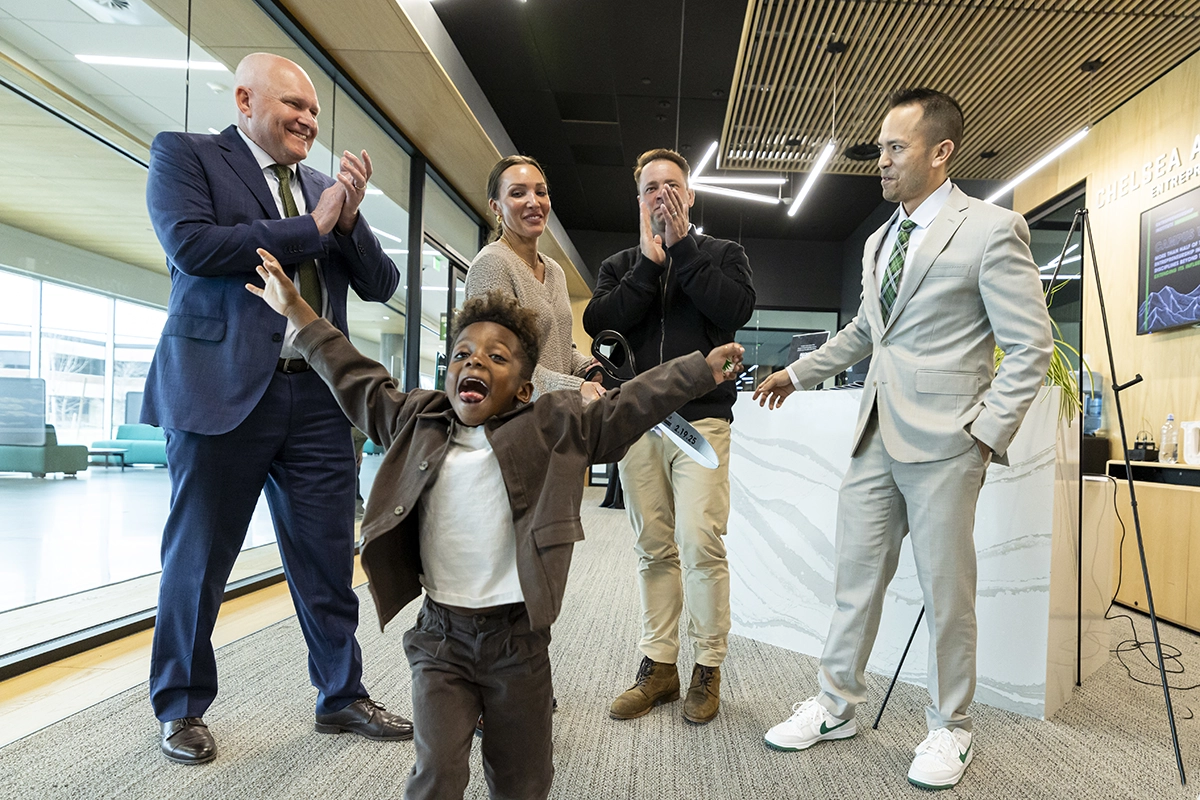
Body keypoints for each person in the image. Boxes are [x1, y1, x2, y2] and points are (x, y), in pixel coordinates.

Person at [247, 252, 744, 799]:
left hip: (519, 642)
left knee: (523, 779)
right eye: (462, 354)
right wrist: (298, 311)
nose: (474, 363)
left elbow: (629, 405)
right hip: (441, 640)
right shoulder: (419, 420)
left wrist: (698, 371)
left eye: (496, 357)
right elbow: (358, 378)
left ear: (526, 388)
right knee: (436, 774)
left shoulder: (552, 427)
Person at [753, 88, 1053, 790]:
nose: (880, 161)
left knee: (947, 593)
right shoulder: (880, 239)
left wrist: (983, 435)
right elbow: (867, 332)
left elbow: (1031, 345)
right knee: (854, 582)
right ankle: (836, 706)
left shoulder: (990, 229)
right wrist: (797, 373)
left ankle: (952, 728)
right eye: (881, 148)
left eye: (895, 148)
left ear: (940, 152)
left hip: (950, 443)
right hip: (874, 436)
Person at [141, 52, 408, 765]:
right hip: (218, 391)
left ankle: (341, 696)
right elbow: (193, 246)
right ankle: (181, 707)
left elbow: (381, 284)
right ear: (245, 99)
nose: (307, 120)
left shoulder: (324, 189)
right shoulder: (187, 156)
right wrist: (313, 226)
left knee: (327, 557)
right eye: (293, 105)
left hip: (317, 397)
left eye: (315, 112)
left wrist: (345, 222)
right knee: (197, 560)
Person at [582, 148, 755, 725]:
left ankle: (708, 666)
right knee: (651, 546)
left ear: (691, 194)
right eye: (651, 187)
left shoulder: (722, 255)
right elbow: (601, 321)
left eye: (673, 185)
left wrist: (681, 251)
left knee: (699, 539)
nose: (663, 194)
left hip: (701, 420)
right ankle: (660, 667)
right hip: (636, 423)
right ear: (639, 199)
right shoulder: (622, 264)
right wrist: (651, 264)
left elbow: (734, 308)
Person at [465, 155, 604, 402]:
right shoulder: (492, 264)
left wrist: (588, 367)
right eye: (518, 194)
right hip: (514, 426)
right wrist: (575, 388)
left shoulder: (554, 271)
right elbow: (500, 362)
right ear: (496, 207)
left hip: (554, 420)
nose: (534, 202)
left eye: (541, 192)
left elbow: (560, 349)